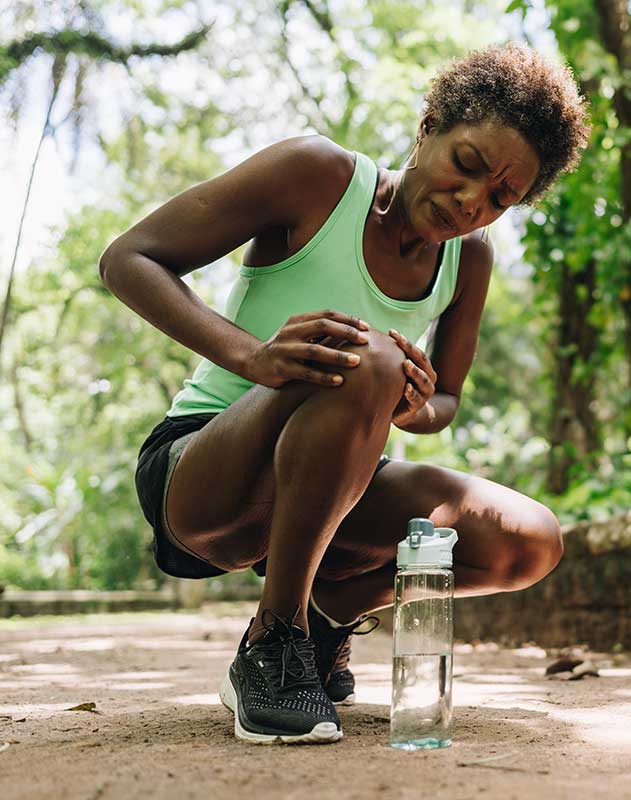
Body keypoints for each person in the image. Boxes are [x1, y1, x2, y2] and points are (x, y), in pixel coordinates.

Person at [100, 42, 591, 744]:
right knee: (368, 356)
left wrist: (415, 403)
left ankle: (323, 615)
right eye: (468, 165)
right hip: (206, 476)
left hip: (330, 490)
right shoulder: (316, 175)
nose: (470, 202)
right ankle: (274, 644)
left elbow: (444, 402)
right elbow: (128, 259)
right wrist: (256, 356)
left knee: (528, 542)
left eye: (499, 199)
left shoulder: (468, 260)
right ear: (429, 128)